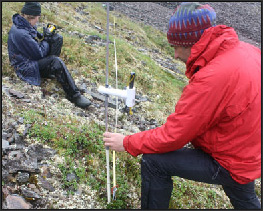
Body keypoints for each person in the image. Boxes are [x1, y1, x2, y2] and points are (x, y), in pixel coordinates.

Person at [103, 2, 261, 209]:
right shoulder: (248, 51)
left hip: (231, 157)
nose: (175, 55)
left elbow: (173, 136)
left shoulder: (213, 77)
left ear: (194, 43)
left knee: (154, 162)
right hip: (246, 148)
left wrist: (126, 142)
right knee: (243, 194)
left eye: (177, 47)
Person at [7, 2, 91, 108]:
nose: (38, 20)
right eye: (38, 17)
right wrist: (46, 38)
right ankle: (75, 96)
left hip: (30, 59)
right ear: (31, 17)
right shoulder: (21, 34)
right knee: (55, 61)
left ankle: (54, 71)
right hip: (25, 67)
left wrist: (45, 35)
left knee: (57, 38)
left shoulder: (23, 24)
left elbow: (34, 41)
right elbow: (39, 54)